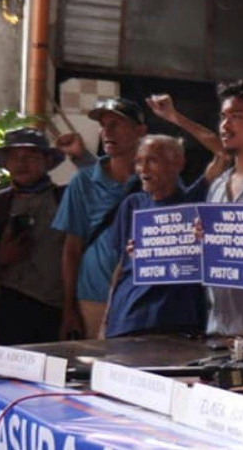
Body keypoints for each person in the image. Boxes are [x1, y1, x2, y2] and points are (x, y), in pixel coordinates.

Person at [147, 85, 243, 344]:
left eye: (236, 116)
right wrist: (154, 249)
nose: (225, 125)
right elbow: (207, 254)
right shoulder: (218, 185)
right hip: (219, 328)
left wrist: (234, 245)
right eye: (223, 117)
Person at [52, 98, 147, 339]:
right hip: (92, 297)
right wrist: (69, 308)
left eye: (116, 124)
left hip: (141, 299)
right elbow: (71, 249)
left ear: (140, 131)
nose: (107, 132)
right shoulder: (83, 182)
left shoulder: (155, 180)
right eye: (103, 125)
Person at [0, 129, 67, 344]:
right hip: (9, 310)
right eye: (14, 156)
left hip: (59, 309)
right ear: (6, 163)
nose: (21, 163)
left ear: (47, 161)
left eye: (30, 156)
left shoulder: (65, 201)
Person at [102, 135, 212, 338]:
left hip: (180, 321)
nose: (143, 169)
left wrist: (176, 119)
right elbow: (121, 266)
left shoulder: (194, 200)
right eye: (138, 161)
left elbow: (222, 154)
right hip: (129, 317)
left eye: (152, 160)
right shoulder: (132, 204)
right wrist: (106, 320)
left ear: (178, 163)